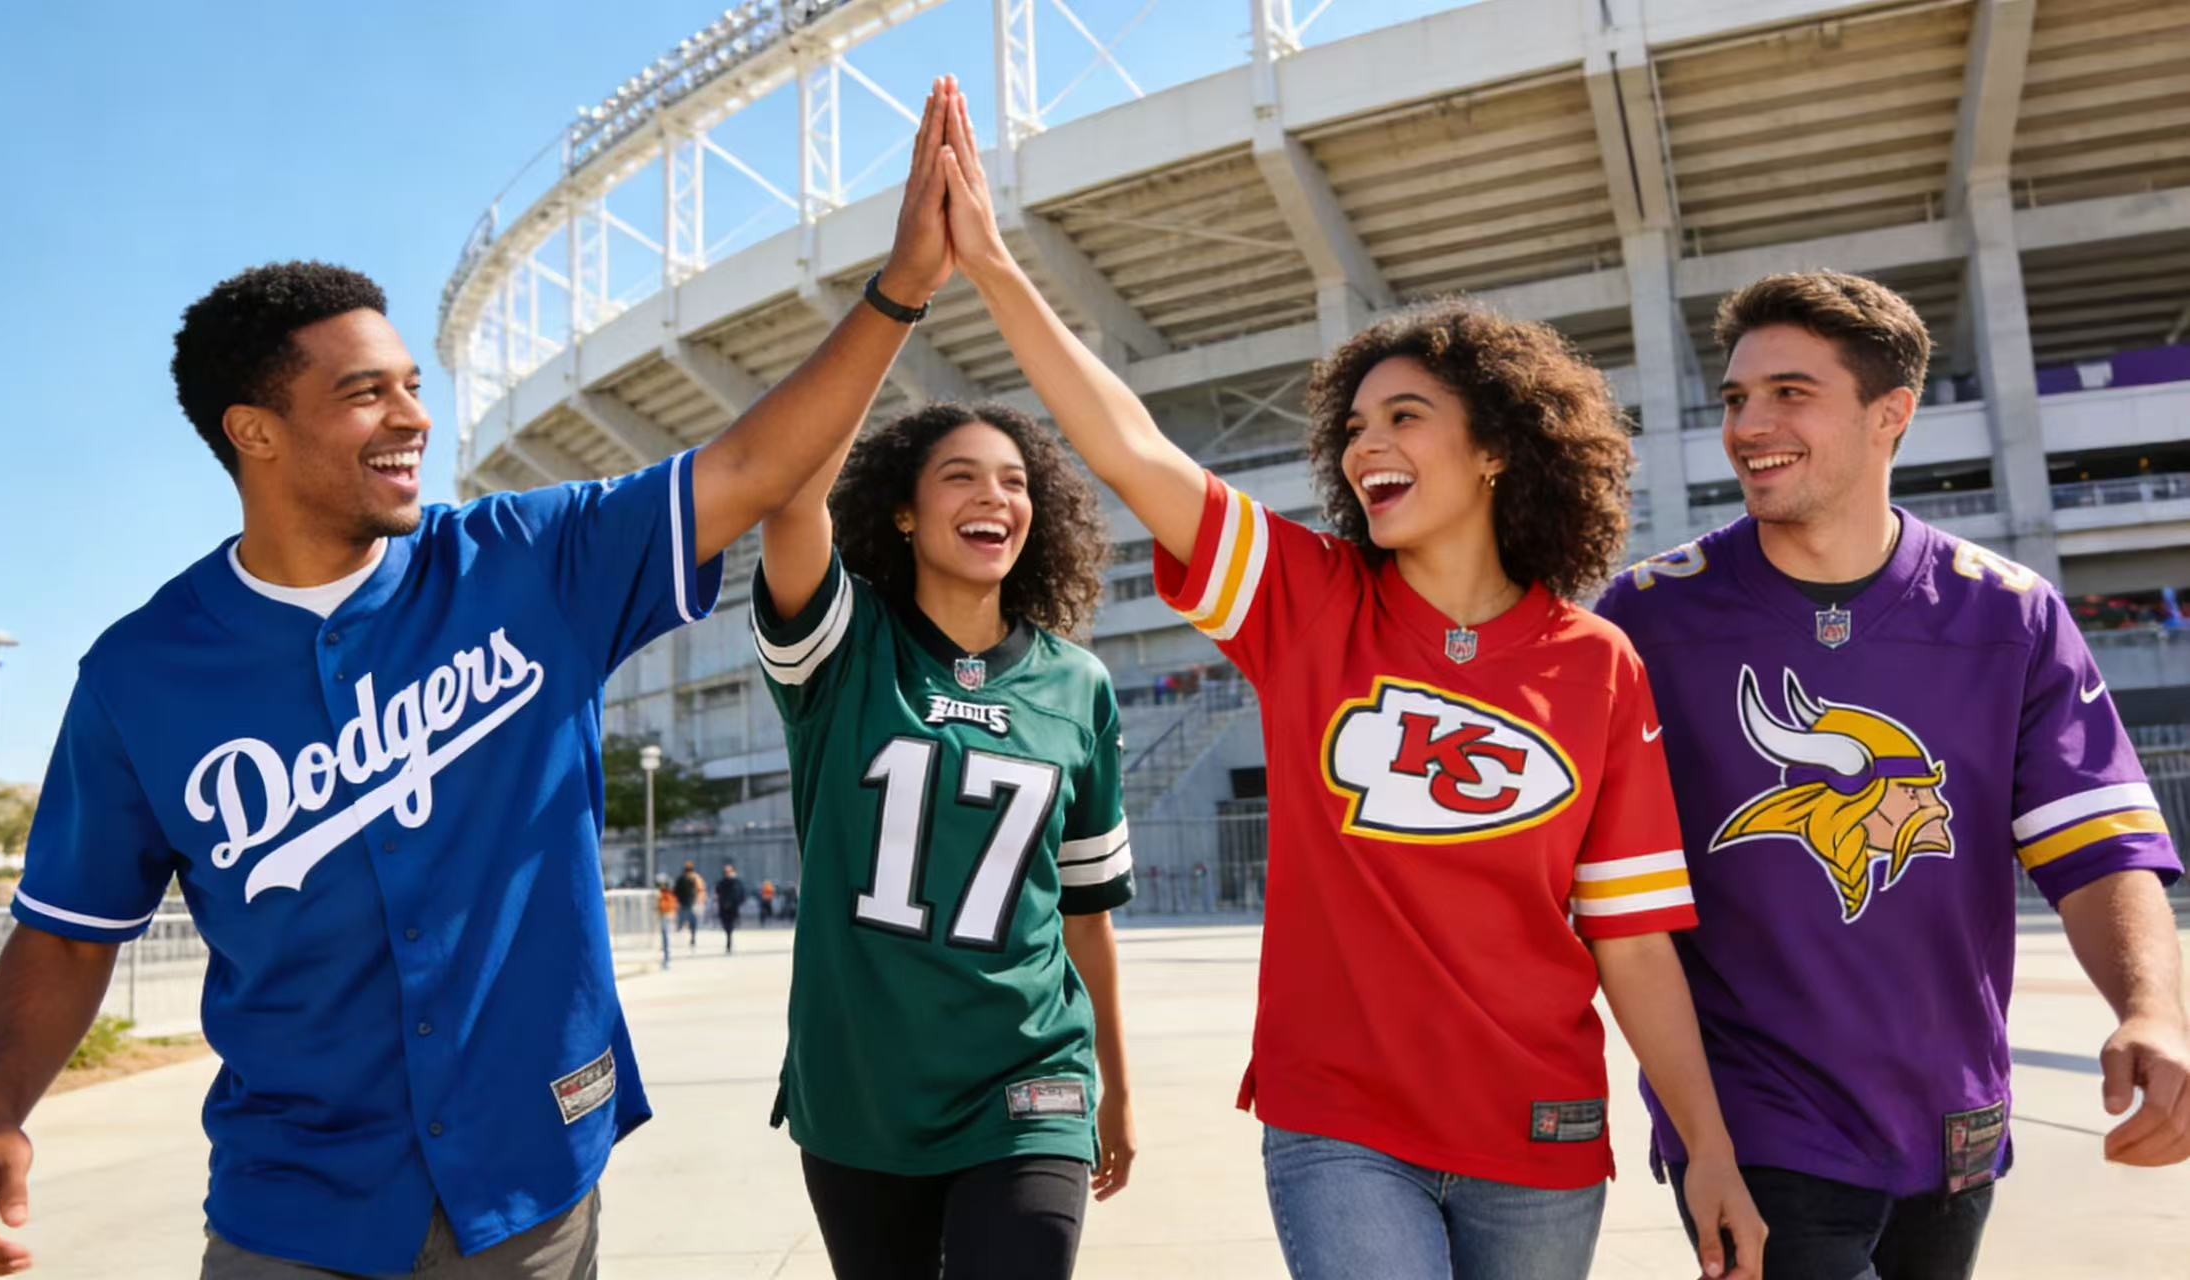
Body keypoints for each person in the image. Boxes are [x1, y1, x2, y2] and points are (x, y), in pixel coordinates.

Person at [0, 79, 964, 1278]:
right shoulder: (142, 673)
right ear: (252, 431)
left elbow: (753, 464)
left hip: (529, 1180)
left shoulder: (527, 563)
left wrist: (902, 289)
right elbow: (65, 934)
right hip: (292, 1203)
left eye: (414, 383)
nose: (413, 415)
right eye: (366, 392)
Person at [929, 89, 1761, 1280]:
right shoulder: (1305, 598)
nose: (1366, 444)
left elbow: (1629, 942)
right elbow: (1132, 451)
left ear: (1494, 450)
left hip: (1540, 1129)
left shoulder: (1596, 663)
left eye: (1405, 416)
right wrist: (998, 272)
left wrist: (1709, 1146)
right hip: (1339, 1123)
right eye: (1354, 425)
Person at [1597, 271, 2188, 1280]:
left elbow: (2094, 846)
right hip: (1758, 1118)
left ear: (1889, 415)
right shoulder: (1646, 617)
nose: (1748, 424)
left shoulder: (2008, 614)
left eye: (1789, 392)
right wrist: (1696, 1135)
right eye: (1736, 397)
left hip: (1951, 1112)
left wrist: (2151, 1008)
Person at [752, 86, 1137, 1278]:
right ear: (904, 512)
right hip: (858, 1092)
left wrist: (1113, 1086)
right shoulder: (843, 651)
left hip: (1029, 1085)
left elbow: (1084, 914)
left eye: (1015, 481)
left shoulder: (1076, 683)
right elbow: (786, 490)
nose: (994, 497)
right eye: (961, 476)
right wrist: (907, 283)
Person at [715, 862, 747, 954]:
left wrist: (738, 903)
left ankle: (729, 940)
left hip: (733, 908)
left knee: (731, 925)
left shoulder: (737, 882)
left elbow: (742, 894)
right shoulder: (721, 883)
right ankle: (729, 937)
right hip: (723, 907)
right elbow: (717, 893)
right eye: (726, 872)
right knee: (725, 925)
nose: (727, 873)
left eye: (729, 871)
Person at [655, 878, 678, 970]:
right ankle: (666, 959)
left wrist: (660, 908)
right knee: (665, 939)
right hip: (666, 917)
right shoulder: (665, 895)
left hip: (666, 917)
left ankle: (667, 960)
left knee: (666, 939)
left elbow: (666, 907)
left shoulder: (667, 895)